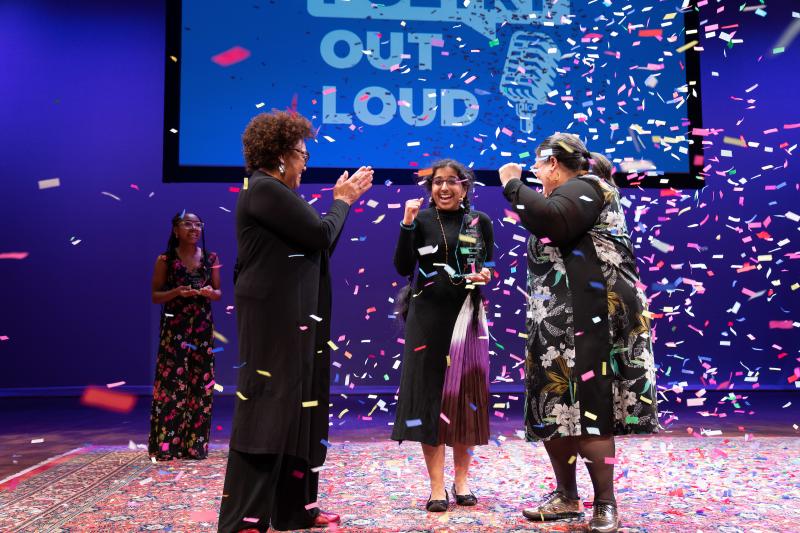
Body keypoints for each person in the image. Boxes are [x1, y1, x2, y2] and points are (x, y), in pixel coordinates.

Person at [217, 110, 373, 533]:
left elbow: (317, 245)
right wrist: (343, 200)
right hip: (275, 318)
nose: (306, 163)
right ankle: (244, 520)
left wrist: (340, 206)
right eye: (302, 154)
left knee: (301, 404)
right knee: (271, 406)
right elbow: (321, 234)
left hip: (295, 315)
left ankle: (293, 509)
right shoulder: (265, 188)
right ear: (283, 154)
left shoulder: (274, 192)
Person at [498, 133, 659, 533]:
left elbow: (550, 218)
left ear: (553, 163)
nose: (535, 175)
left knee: (592, 406)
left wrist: (512, 182)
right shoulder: (564, 196)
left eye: (538, 167)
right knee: (553, 405)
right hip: (556, 322)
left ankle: (605, 503)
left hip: (595, 318)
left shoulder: (589, 186)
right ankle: (567, 496)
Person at [391, 159, 494, 512]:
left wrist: (487, 275)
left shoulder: (481, 222)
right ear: (429, 187)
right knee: (430, 400)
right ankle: (437, 487)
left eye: (452, 182)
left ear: (465, 186)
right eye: (437, 182)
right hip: (427, 320)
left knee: (465, 400)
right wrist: (406, 223)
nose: (444, 188)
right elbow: (404, 267)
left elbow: (489, 263)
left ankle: (461, 481)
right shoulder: (419, 221)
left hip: (467, 318)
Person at [149, 211, 221, 461]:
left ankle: (195, 445)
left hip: (201, 327)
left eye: (198, 224)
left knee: (201, 383)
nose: (194, 228)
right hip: (175, 328)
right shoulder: (165, 259)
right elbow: (156, 295)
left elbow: (218, 291)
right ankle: (167, 446)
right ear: (175, 230)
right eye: (187, 224)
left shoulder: (211, 258)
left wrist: (210, 293)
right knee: (172, 386)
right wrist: (177, 292)